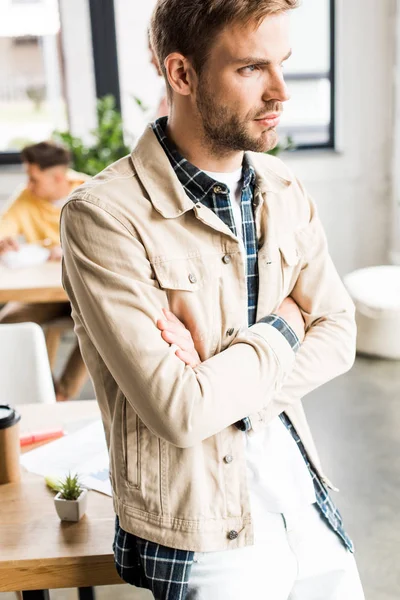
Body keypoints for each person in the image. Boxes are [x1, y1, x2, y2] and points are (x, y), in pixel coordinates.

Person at [61, 0, 365, 598]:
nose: (281, 91)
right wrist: (284, 326)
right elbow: (177, 412)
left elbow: (341, 335)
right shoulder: (104, 217)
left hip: (300, 492)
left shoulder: (282, 187)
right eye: (252, 68)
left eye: (284, 64)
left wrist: (214, 382)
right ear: (181, 74)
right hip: (202, 528)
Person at [0, 141, 88, 402]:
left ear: (58, 177)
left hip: (84, 292)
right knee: (8, 323)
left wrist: (70, 249)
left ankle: (62, 394)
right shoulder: (27, 197)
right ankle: (48, 391)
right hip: (46, 294)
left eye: (33, 178)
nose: (28, 184)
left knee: (99, 324)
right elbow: (4, 229)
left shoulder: (89, 190)